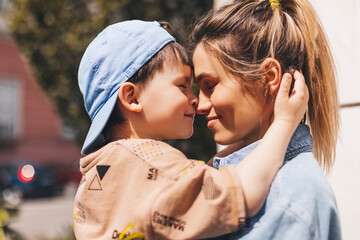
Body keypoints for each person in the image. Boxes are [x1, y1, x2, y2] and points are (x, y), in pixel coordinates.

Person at [73, 19, 308, 239]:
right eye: (182, 86)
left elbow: (187, 184)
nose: (195, 99)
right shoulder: (152, 163)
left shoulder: (103, 172)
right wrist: (283, 124)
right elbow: (241, 195)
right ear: (132, 97)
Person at [191, 0, 341, 239]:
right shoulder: (221, 173)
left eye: (210, 85)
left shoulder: (291, 198)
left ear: (268, 77)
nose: (200, 104)